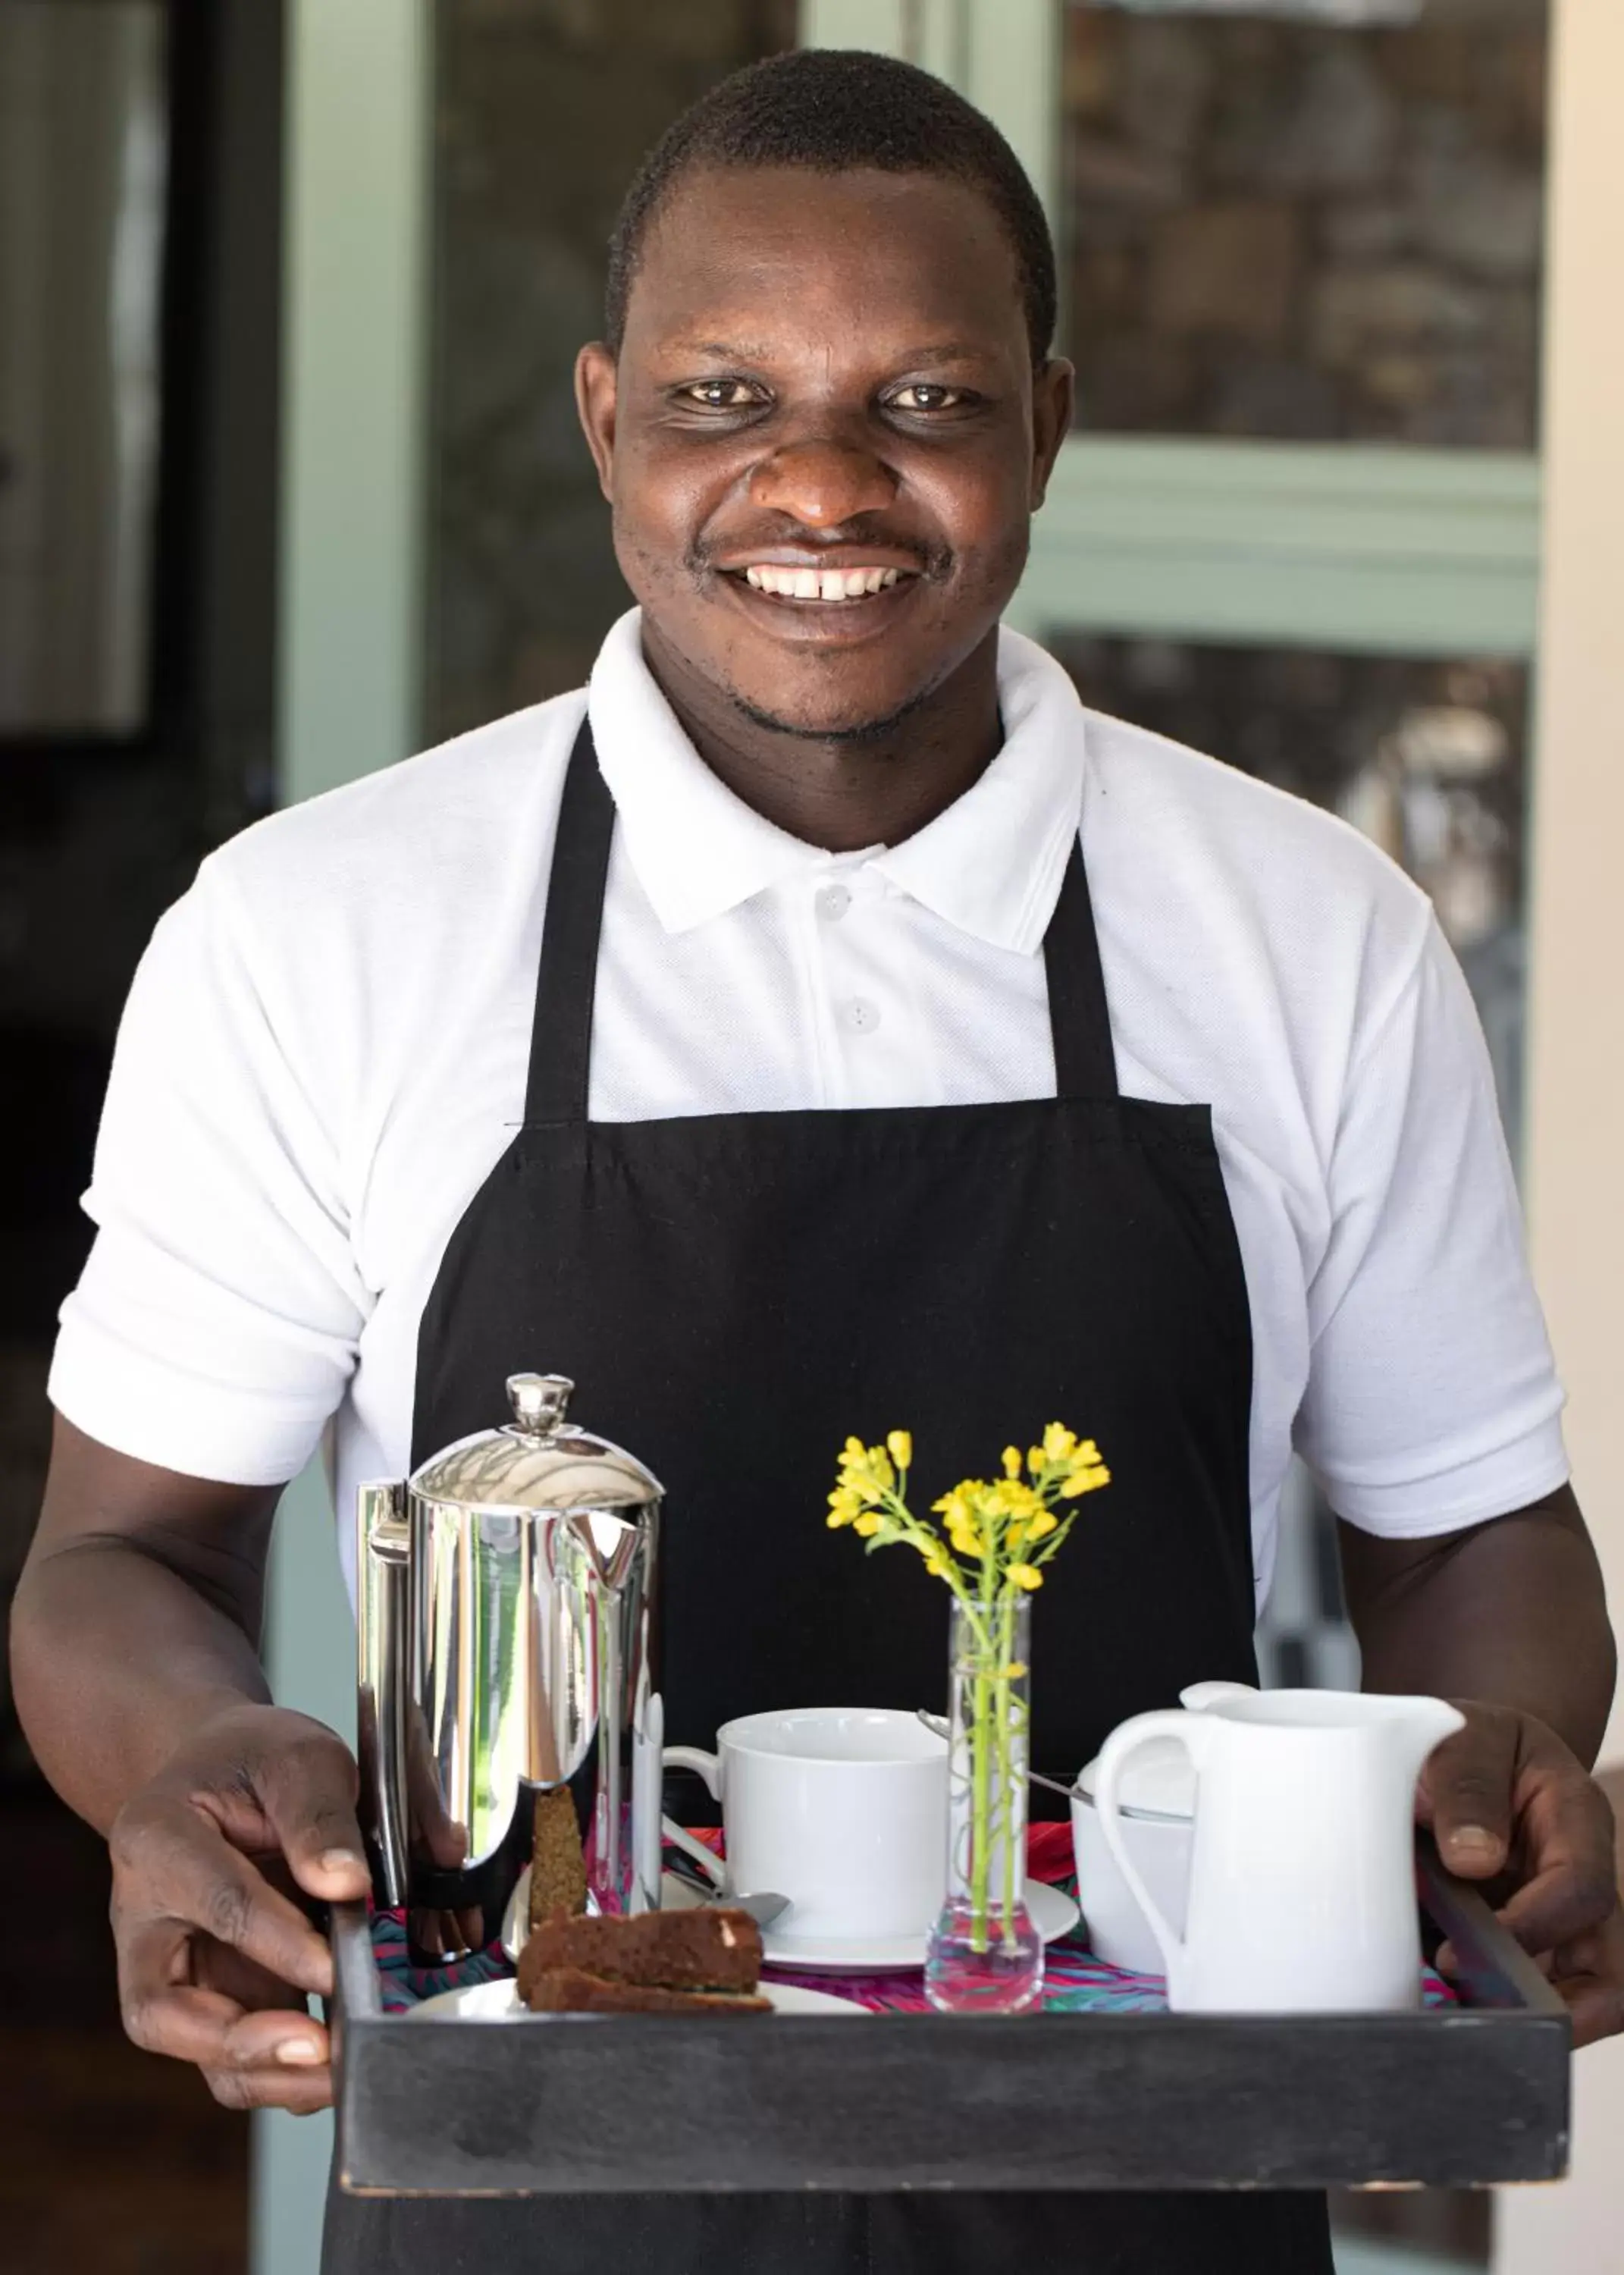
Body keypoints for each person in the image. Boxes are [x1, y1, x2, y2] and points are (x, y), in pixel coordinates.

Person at [11, 46, 1622, 2275]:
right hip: (529, 2184)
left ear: (1046, 424)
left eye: (929, 402)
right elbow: (122, 1559)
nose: (821, 484)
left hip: (1137, 2191)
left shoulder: (1302, 930)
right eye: (720, 396)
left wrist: (1509, 1757)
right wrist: (185, 1768)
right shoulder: (319, 932)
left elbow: (1465, 1533)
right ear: (604, 424)